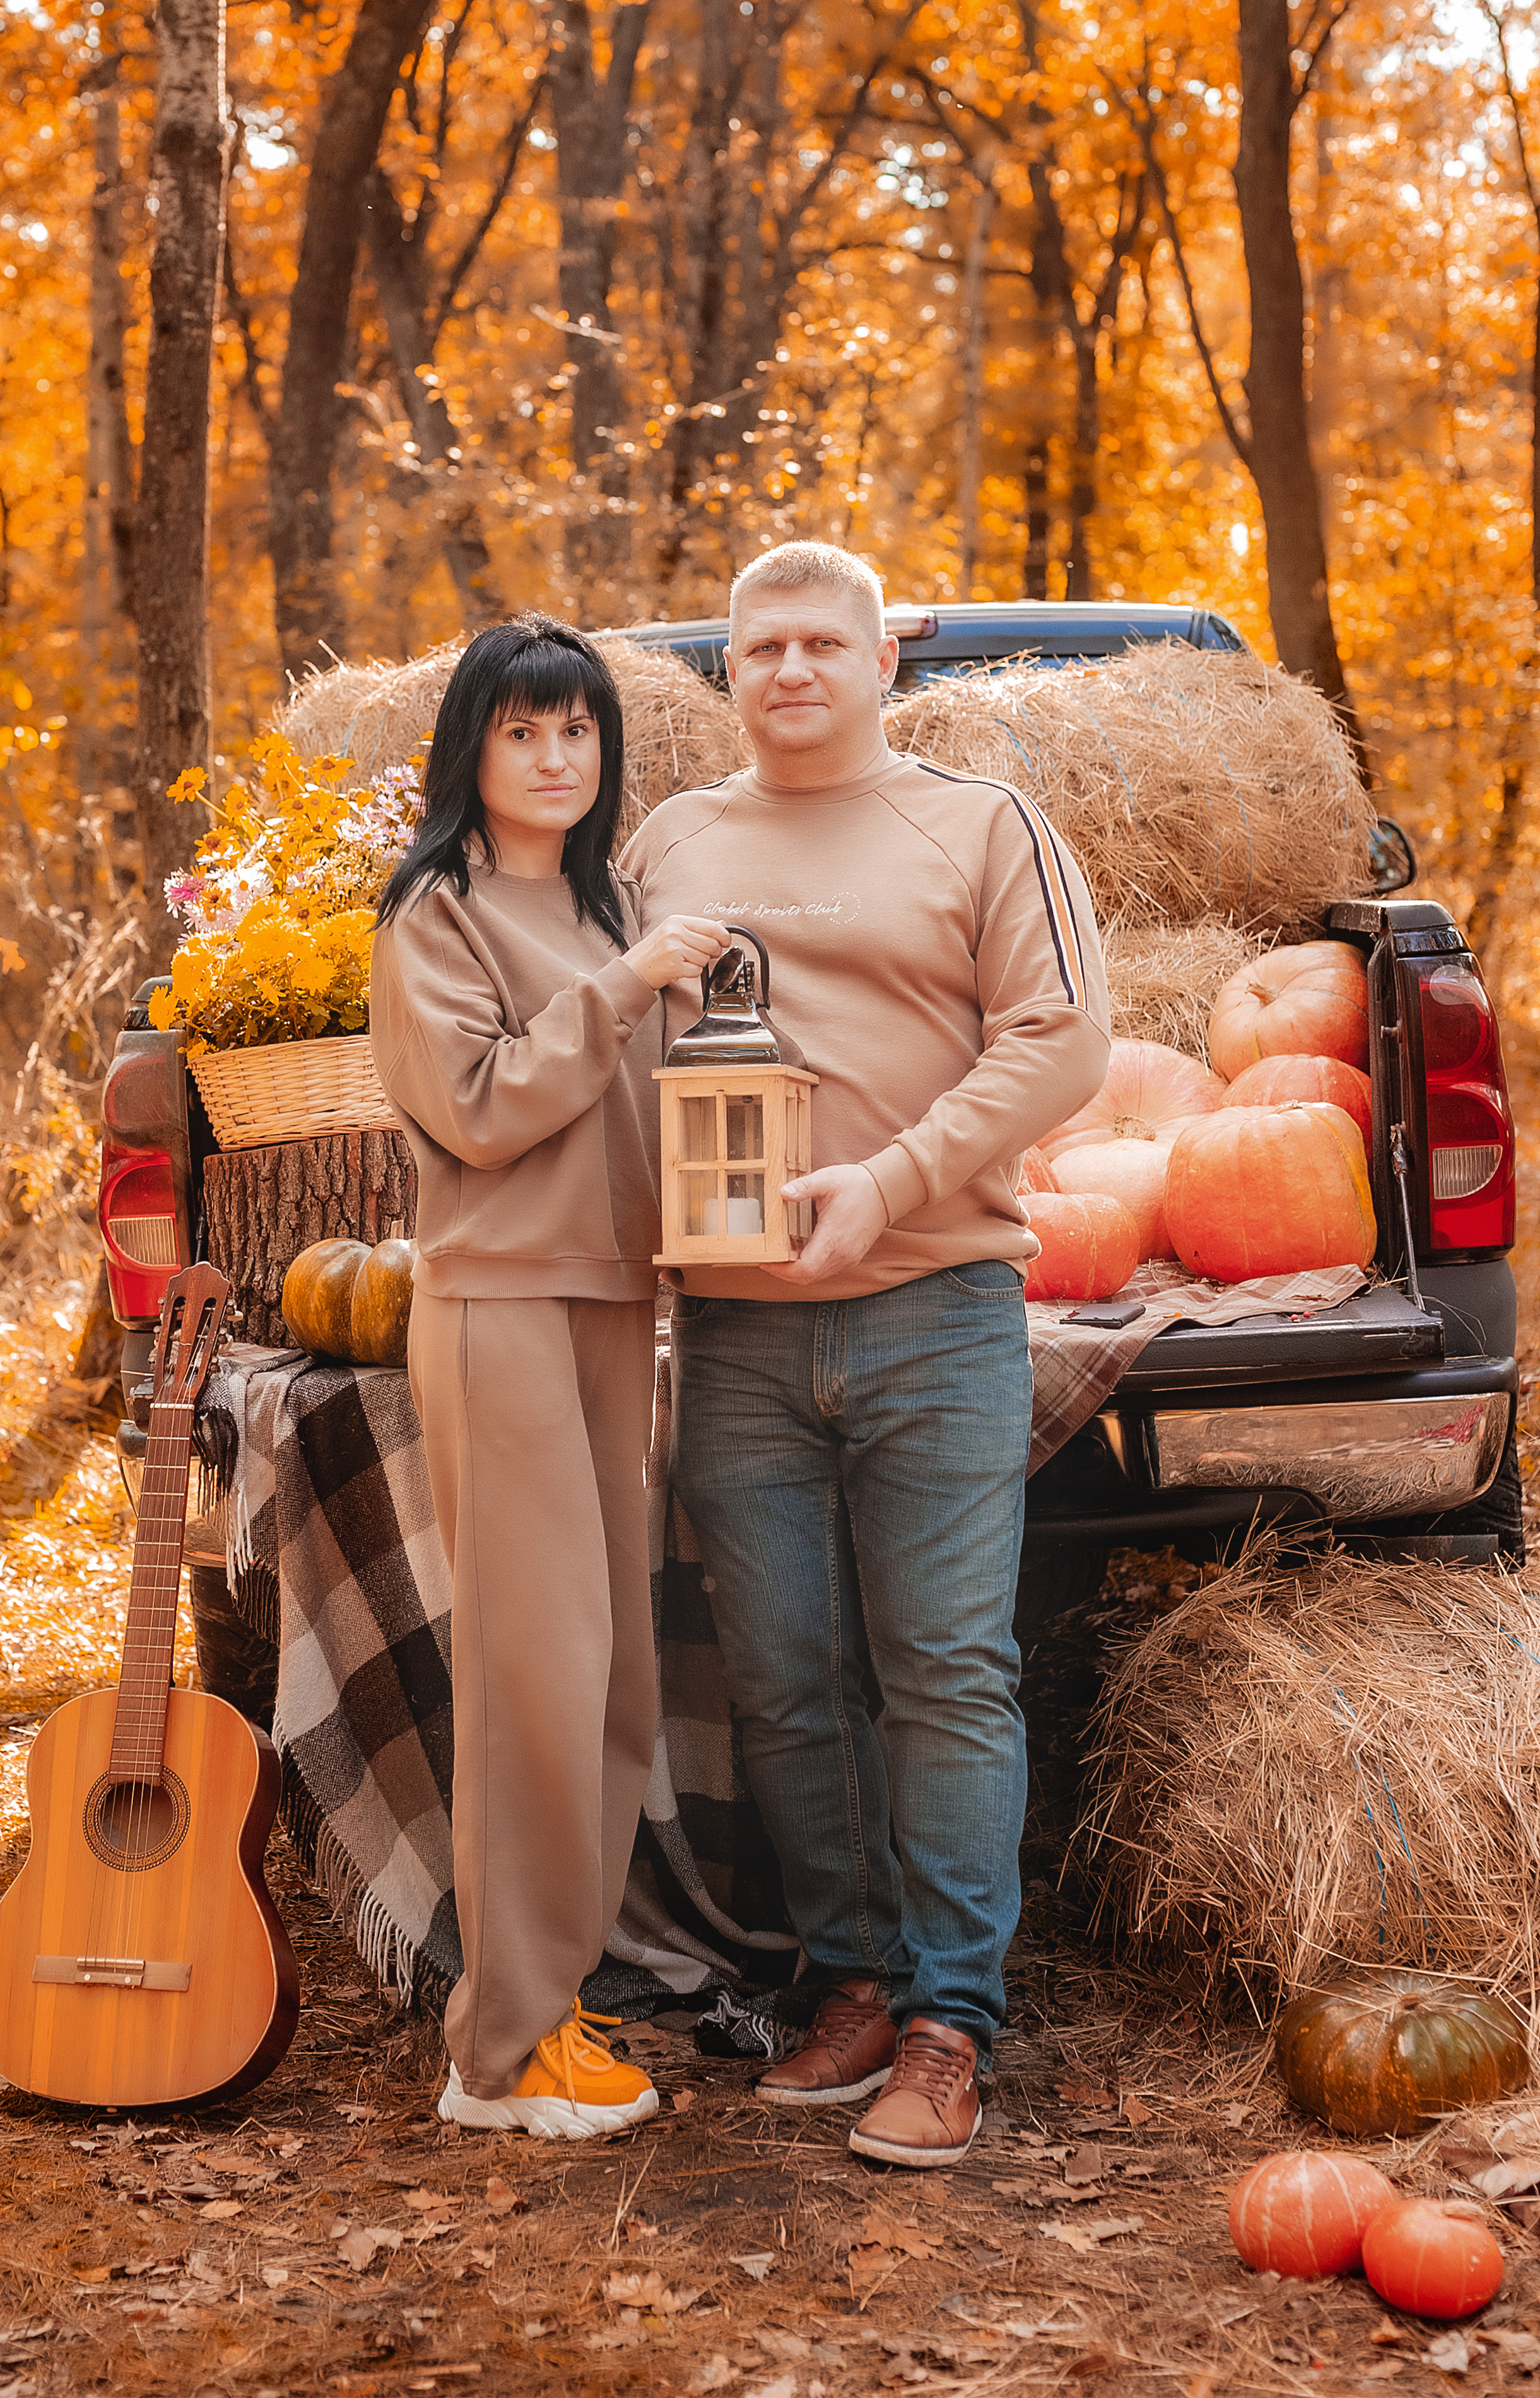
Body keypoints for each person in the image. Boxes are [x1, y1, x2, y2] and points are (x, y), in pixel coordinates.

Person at [621, 543, 1110, 2168]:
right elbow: (612, 1053)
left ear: (880, 659)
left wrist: (888, 1179)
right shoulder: (668, 844)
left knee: (944, 1673)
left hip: (934, 1312)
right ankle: (848, 1974)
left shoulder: (980, 826)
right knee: (779, 1679)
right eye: (759, 647)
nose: (790, 671)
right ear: (730, 673)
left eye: (821, 642)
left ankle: (950, 2022)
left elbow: (1063, 1040)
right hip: (735, 1335)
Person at [371, 614, 729, 2140]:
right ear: (473, 748)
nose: (554, 756)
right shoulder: (434, 916)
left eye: (577, 730)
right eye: (522, 731)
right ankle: (499, 2049)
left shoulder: (609, 905)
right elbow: (474, 1106)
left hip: (609, 1304)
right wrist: (631, 988)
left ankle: (556, 1998)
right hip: (498, 1305)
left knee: (611, 1676)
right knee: (531, 1670)